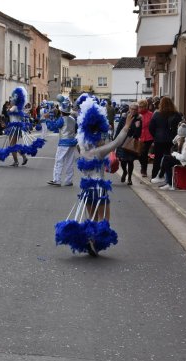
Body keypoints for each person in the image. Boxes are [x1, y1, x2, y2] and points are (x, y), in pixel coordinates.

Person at [55, 94, 129, 256]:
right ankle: (94, 243)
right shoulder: (99, 152)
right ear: (97, 136)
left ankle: (91, 241)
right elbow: (117, 142)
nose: (103, 139)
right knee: (104, 220)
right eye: (101, 136)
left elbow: (82, 138)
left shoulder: (83, 150)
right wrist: (127, 125)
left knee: (91, 218)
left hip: (87, 189)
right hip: (99, 189)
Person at [0, 87, 45, 167]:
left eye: (11, 101)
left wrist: (8, 109)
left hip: (14, 128)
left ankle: (18, 161)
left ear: (14, 101)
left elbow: (7, 112)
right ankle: (21, 159)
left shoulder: (14, 107)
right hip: (16, 128)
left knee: (12, 145)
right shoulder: (19, 108)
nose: (10, 102)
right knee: (13, 145)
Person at [151, 122, 186, 190]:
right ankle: (165, 179)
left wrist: (175, 154)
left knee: (167, 159)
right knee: (166, 158)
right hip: (184, 160)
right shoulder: (183, 138)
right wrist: (178, 137)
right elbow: (173, 141)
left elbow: (184, 158)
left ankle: (164, 179)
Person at [149, 96, 182, 181]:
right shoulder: (176, 114)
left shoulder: (156, 114)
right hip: (171, 140)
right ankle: (168, 177)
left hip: (159, 139)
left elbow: (151, 127)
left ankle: (154, 176)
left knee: (157, 158)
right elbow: (179, 128)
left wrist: (155, 135)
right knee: (169, 158)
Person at [47, 97, 77, 187]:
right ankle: (68, 180)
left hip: (64, 143)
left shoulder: (62, 119)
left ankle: (57, 180)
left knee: (59, 160)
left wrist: (48, 120)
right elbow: (76, 130)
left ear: (61, 111)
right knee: (69, 161)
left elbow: (53, 127)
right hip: (72, 142)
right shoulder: (73, 119)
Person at [114, 102, 142, 185]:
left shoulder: (138, 119)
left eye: (135, 109)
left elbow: (138, 134)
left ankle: (129, 177)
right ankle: (125, 172)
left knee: (130, 161)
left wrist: (137, 127)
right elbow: (119, 129)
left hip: (132, 142)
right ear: (129, 109)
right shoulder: (124, 117)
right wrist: (115, 140)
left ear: (137, 110)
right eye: (132, 109)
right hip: (122, 141)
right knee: (122, 160)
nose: (133, 110)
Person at [137, 99, 153, 177]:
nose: (141, 108)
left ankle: (144, 169)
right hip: (139, 136)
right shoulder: (136, 114)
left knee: (144, 153)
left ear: (146, 107)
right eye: (139, 107)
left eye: (142, 107)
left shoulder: (151, 114)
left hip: (148, 137)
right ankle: (142, 165)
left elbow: (154, 126)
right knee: (138, 154)